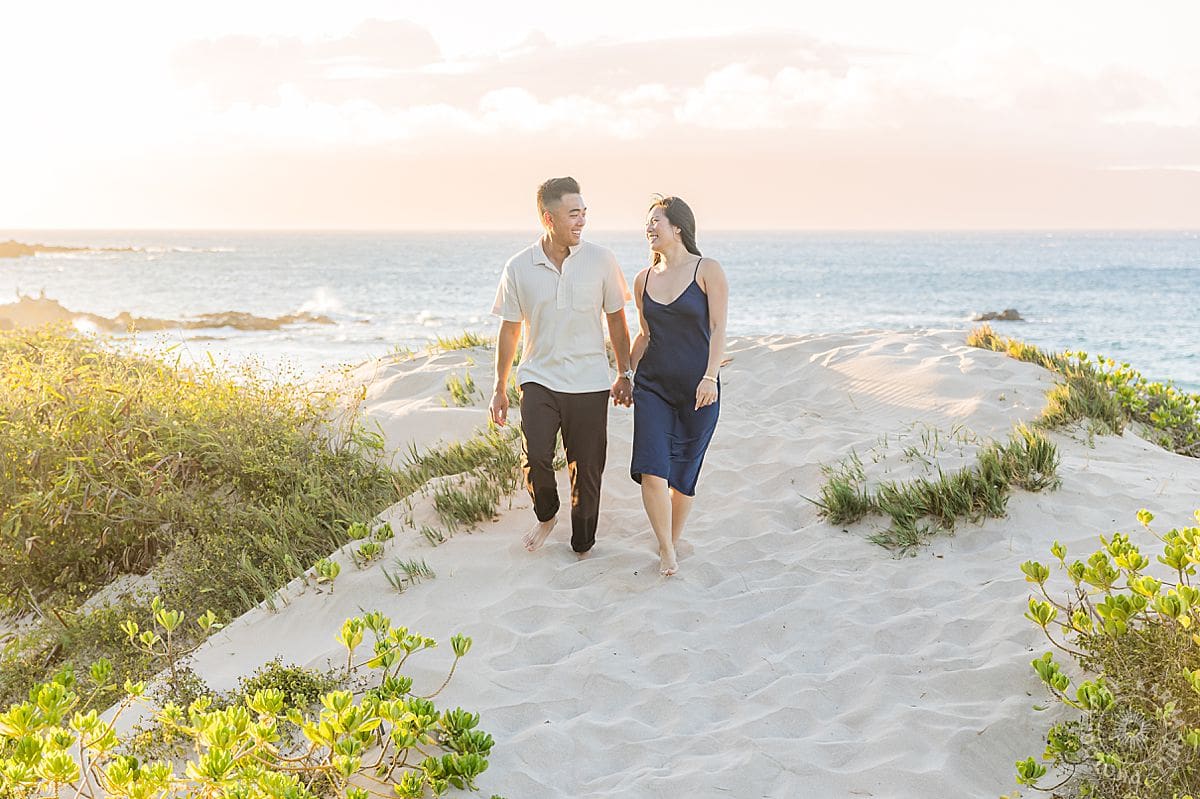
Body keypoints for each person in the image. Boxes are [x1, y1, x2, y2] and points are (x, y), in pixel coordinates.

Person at [489, 177, 634, 556]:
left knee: (586, 472)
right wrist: (499, 386)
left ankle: (582, 541)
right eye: (574, 214)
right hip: (539, 378)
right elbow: (510, 328)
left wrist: (624, 372)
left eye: (584, 213)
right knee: (535, 454)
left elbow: (617, 320)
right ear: (548, 218)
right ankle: (547, 514)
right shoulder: (519, 266)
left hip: (588, 382)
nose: (581, 222)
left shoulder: (601, 259)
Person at [629, 195, 728, 576]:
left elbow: (718, 327)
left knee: (684, 475)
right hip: (652, 386)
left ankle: (671, 537)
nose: (649, 229)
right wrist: (624, 374)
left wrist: (710, 376)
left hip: (698, 389)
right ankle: (666, 550)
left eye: (656, 221)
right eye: (647, 223)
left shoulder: (708, 270)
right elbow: (645, 335)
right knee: (653, 467)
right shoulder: (643, 279)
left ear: (678, 227)